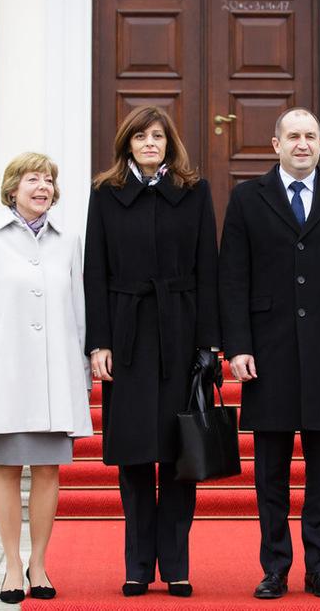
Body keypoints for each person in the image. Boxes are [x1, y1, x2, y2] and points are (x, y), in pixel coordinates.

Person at [219, 107, 320, 600]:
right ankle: (275, 568)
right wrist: (237, 346)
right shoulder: (247, 197)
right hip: (267, 355)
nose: (302, 143)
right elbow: (232, 279)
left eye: (310, 136)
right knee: (270, 475)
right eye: (293, 136)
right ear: (276, 144)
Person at [84, 105, 221, 598]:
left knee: (181, 455)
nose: (149, 143)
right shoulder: (105, 194)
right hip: (127, 337)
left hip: (181, 334)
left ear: (169, 144)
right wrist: (98, 342)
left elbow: (209, 269)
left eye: (157, 136)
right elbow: (94, 272)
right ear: (126, 143)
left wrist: (210, 343)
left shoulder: (193, 190)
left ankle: (177, 565)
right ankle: (138, 566)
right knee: (136, 456)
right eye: (140, 136)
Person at [0, 152, 92, 604]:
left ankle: (40, 564)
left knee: (49, 470)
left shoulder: (68, 238)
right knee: (7, 468)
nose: (43, 187)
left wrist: (80, 377)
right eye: (33, 179)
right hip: (5, 376)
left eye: (49, 180)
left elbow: (78, 313)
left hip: (54, 379)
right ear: (13, 187)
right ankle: (13, 566)